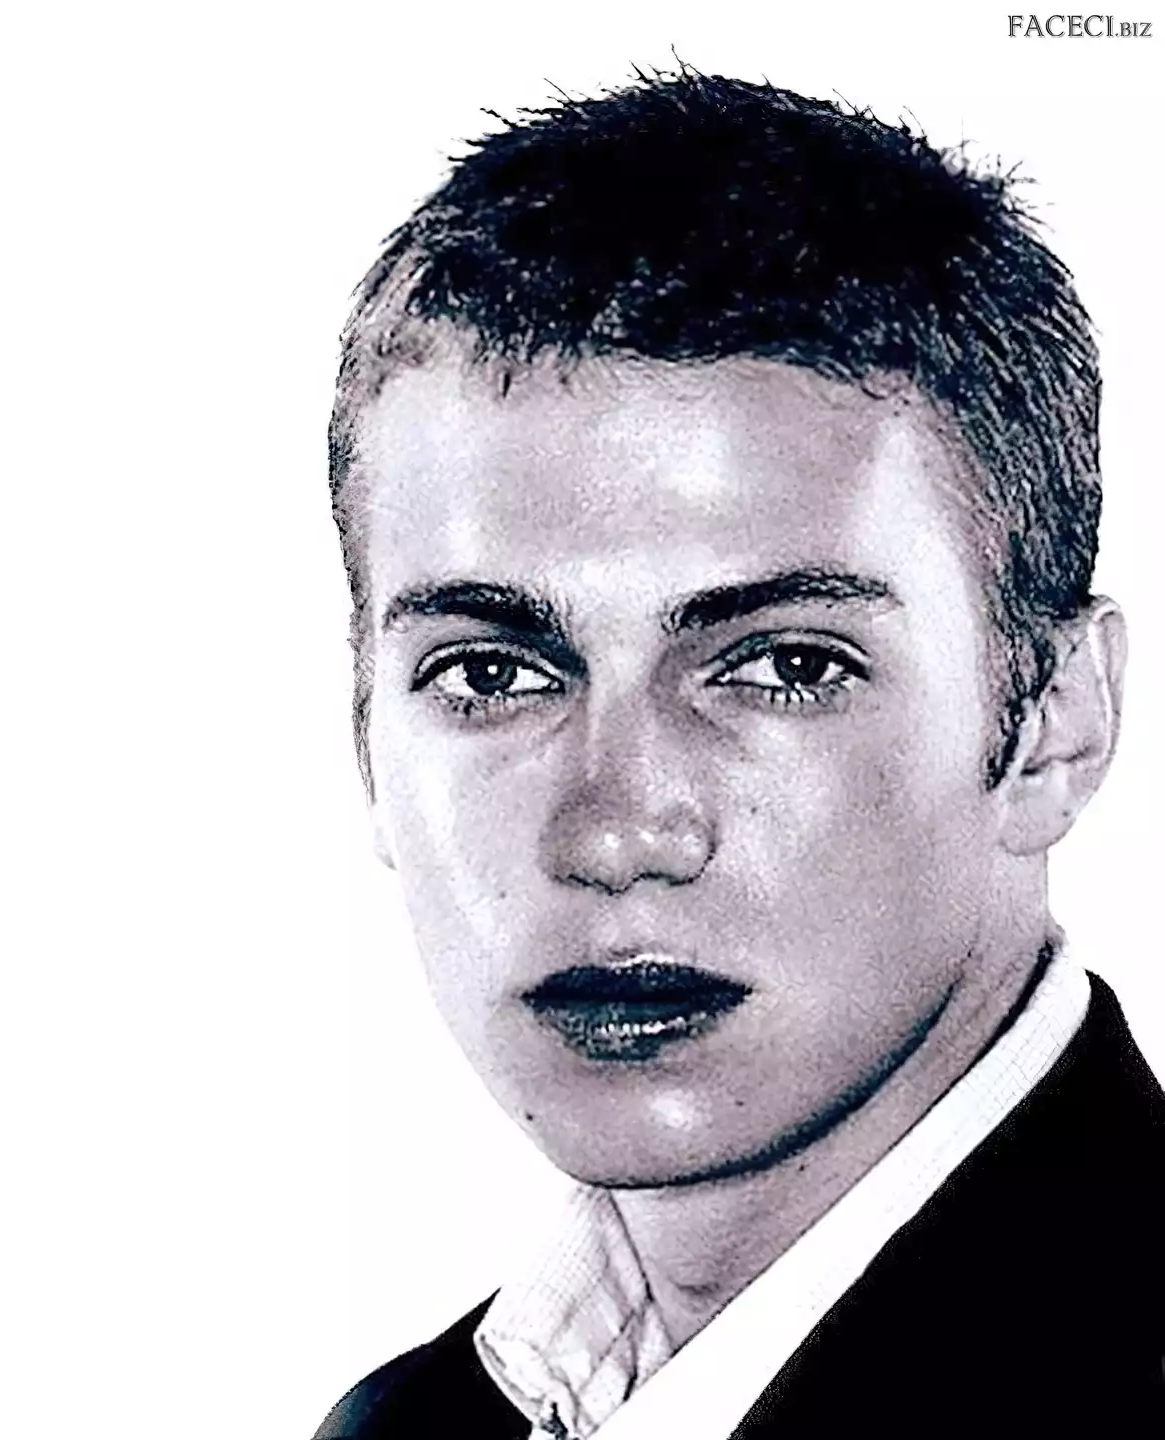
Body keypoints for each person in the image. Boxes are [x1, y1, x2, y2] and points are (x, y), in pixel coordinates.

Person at [314, 69, 1165, 1438]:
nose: (613, 832)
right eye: (492, 673)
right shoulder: (414, 1423)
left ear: (1057, 722)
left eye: (786, 667)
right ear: (365, 735)